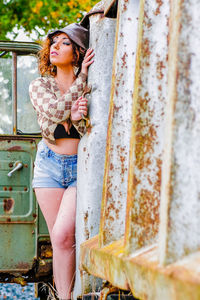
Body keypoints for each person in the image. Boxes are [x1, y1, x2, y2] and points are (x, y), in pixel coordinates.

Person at [29, 23, 94, 300]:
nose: (55, 46)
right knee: (61, 241)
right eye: (53, 42)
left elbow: (92, 130)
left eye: (64, 42)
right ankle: (64, 297)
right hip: (49, 165)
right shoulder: (40, 84)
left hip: (81, 167)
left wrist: (79, 120)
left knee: (66, 234)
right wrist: (83, 79)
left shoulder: (94, 87)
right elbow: (55, 112)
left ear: (78, 52)